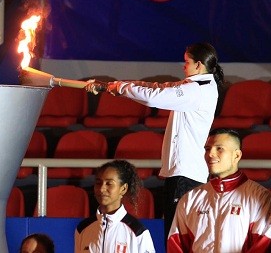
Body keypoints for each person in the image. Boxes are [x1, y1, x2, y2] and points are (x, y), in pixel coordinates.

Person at [86, 42, 225, 241]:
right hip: (184, 173)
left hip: (185, 175)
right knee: (178, 236)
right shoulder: (195, 86)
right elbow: (157, 87)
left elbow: (154, 97)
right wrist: (113, 87)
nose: (183, 66)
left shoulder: (197, 89)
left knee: (178, 237)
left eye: (187, 62)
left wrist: (121, 88)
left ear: (199, 65)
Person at [167, 128, 271, 253]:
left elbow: (265, 245)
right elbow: (175, 245)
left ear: (236, 155)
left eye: (219, 148)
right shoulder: (190, 199)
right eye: (207, 149)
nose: (210, 154)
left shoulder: (259, 197)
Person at [74, 159, 156, 253]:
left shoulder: (138, 231)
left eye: (109, 183)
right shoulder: (82, 229)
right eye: (98, 183)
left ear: (123, 189)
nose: (102, 189)